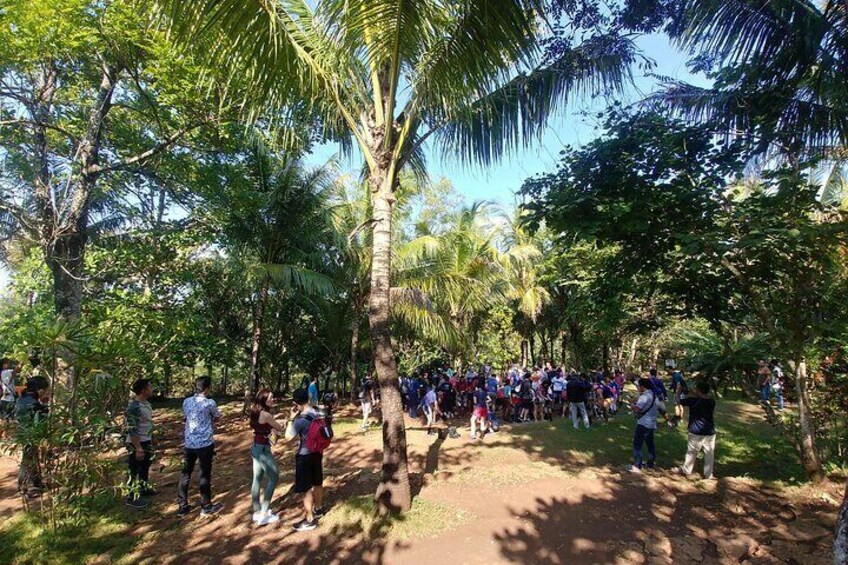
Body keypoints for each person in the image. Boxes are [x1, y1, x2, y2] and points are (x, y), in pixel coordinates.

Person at [285, 389, 331, 532]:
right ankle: (319, 508)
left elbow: (288, 437)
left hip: (304, 455)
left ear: (295, 404)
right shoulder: (318, 412)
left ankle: (309, 519)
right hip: (318, 452)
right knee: (317, 481)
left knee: (305, 487)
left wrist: (291, 418)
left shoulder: (300, 420)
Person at [177, 376, 223, 517]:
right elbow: (217, 417)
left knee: (185, 474)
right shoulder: (209, 403)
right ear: (207, 388)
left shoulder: (187, 401)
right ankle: (206, 506)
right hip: (204, 444)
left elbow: (184, 418)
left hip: (189, 443)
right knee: (204, 474)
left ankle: (182, 506)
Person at [250, 389, 286, 526]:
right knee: (274, 477)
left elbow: (266, 427)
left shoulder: (255, 411)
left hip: (255, 447)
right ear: (264, 400)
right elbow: (279, 427)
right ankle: (264, 514)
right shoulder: (265, 414)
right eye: (270, 398)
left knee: (257, 478)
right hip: (263, 451)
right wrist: (286, 420)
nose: (273, 399)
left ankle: (257, 510)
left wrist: (272, 429)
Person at [16, 375, 50, 497]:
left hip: (22, 432)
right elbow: (39, 422)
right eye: (45, 390)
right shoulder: (34, 403)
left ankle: (36, 483)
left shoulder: (22, 398)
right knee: (28, 460)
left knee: (31, 458)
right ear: (40, 390)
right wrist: (45, 409)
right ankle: (26, 487)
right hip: (30, 434)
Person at [125, 378, 156, 509]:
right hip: (136, 443)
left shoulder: (147, 404)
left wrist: (152, 437)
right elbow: (132, 428)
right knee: (134, 469)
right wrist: (137, 448)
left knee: (145, 466)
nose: (152, 389)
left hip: (146, 440)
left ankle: (143, 488)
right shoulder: (134, 406)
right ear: (143, 390)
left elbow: (148, 422)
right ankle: (131, 497)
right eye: (150, 387)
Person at [677, 381, 717, 480]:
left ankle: (686, 470)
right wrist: (693, 392)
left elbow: (678, 401)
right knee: (709, 454)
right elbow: (701, 396)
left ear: (698, 390)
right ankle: (709, 474)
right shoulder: (711, 402)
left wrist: (678, 392)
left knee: (691, 452)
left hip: (695, 431)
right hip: (709, 431)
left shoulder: (692, 400)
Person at [628, 378, 660, 473]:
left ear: (642, 386)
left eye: (638, 386)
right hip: (651, 423)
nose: (637, 388)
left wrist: (632, 405)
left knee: (637, 444)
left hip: (643, 423)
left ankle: (637, 466)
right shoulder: (654, 395)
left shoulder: (644, 397)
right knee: (650, 444)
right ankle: (650, 464)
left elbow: (637, 409)